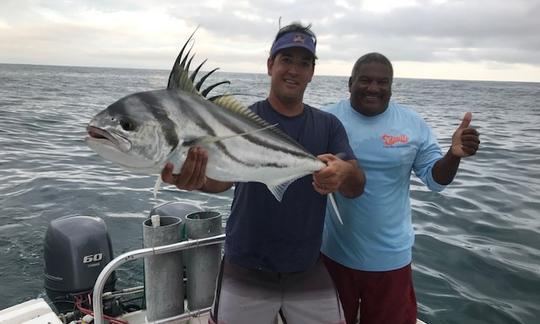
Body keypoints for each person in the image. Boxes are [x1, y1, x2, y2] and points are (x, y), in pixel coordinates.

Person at [161, 22, 365, 324]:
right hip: (245, 265)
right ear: (270, 65)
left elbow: (356, 184)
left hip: (306, 267)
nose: (293, 70)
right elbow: (222, 180)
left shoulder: (328, 125)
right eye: (286, 60)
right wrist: (197, 179)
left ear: (312, 72)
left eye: (303, 63)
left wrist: (343, 172)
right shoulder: (241, 120)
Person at [321, 53, 480, 324]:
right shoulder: (325, 120)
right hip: (333, 255)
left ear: (391, 87)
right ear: (350, 83)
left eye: (382, 82)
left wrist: (454, 155)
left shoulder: (412, 124)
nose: (373, 88)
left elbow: (435, 180)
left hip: (391, 259)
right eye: (365, 80)